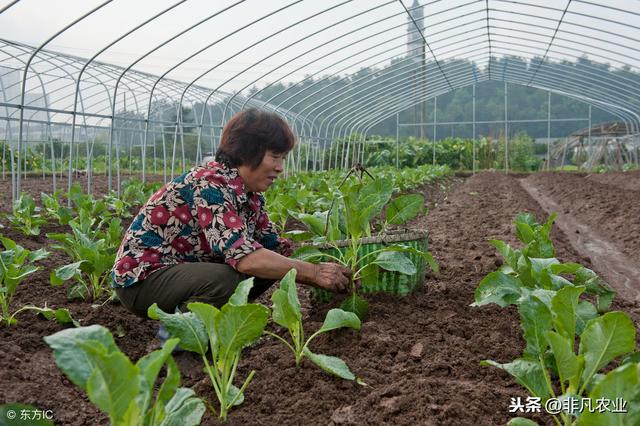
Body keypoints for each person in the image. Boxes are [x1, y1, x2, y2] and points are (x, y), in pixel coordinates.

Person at [112, 108, 352, 320]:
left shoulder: (249, 195)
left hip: (184, 274)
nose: (280, 167)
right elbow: (245, 258)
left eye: (283, 158)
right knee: (225, 278)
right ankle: (182, 341)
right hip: (142, 281)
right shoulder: (210, 185)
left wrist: (329, 260)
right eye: (275, 157)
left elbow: (275, 248)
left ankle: (212, 325)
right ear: (249, 153)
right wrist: (314, 273)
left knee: (273, 261)